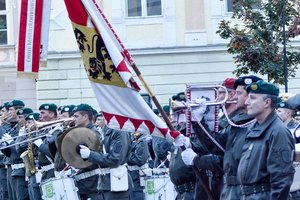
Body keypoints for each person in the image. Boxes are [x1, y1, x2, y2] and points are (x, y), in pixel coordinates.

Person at [180, 75, 262, 200]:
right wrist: (199, 120)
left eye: (239, 93)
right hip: (230, 189)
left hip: (244, 190)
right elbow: (214, 145)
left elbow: (230, 162)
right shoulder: (237, 124)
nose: (234, 97)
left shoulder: (253, 124)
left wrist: (197, 160)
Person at [237, 80, 295, 199]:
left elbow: (282, 179)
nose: (247, 102)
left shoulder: (278, 131)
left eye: (252, 98)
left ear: (267, 102)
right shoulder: (253, 128)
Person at [79, 111, 133, 200]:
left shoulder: (119, 130)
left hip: (117, 183)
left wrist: (90, 155)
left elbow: (115, 159)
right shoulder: (105, 130)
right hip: (106, 183)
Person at [127, 132, 149, 200]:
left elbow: (140, 160)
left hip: (139, 175)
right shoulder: (134, 140)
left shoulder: (142, 141)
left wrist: (126, 154)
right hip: (132, 174)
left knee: (138, 195)